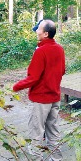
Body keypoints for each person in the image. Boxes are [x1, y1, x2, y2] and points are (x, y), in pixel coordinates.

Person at [13, 20, 65, 161]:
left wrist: (16, 86)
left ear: (46, 33)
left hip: (41, 100)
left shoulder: (41, 51)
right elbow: (62, 70)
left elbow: (33, 77)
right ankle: (57, 159)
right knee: (53, 132)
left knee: (36, 134)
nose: (37, 31)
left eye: (39, 29)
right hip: (55, 97)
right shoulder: (59, 49)